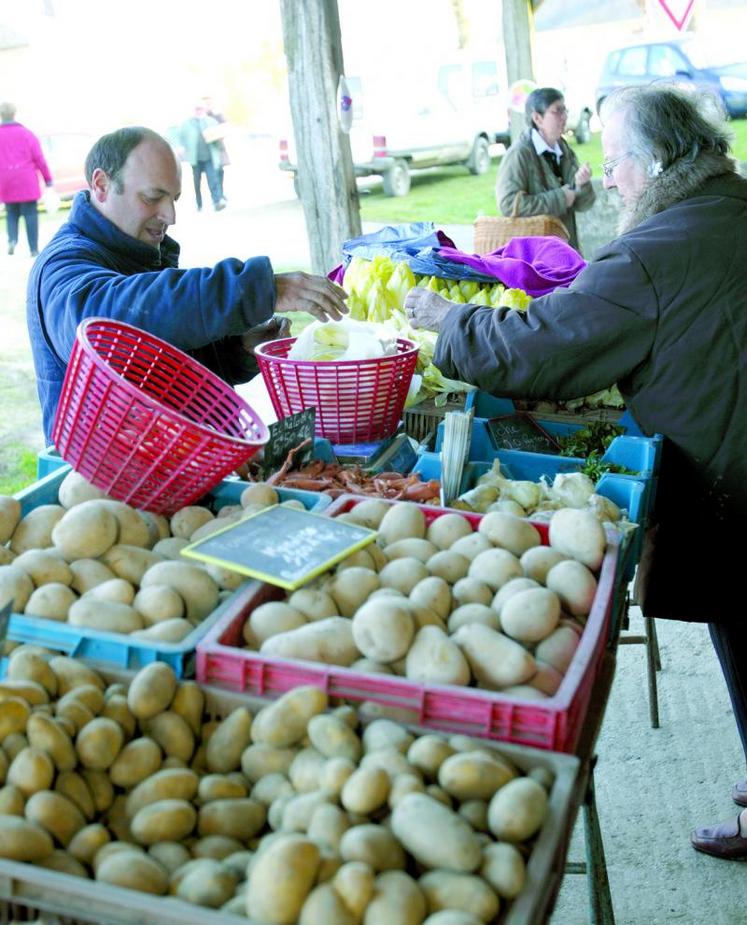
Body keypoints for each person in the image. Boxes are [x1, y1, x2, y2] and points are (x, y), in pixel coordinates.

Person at [405, 85, 747, 859]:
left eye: (618, 160)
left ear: (656, 160)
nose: (610, 176)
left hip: (735, 475)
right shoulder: (731, 201)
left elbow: (543, 347)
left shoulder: (652, 251)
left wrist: (449, 321)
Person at [27, 126, 348, 444]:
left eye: (174, 198)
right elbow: (106, 326)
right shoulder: (63, 264)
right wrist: (262, 289)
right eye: (153, 198)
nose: (170, 215)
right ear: (101, 185)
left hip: (175, 466)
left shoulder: (140, 252)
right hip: (103, 480)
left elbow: (163, 361)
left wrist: (237, 350)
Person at [496, 87, 595, 253]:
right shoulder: (520, 154)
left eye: (565, 110)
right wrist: (561, 198)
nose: (564, 116)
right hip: (535, 256)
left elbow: (583, 204)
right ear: (537, 118)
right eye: (557, 111)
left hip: (565, 250)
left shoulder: (564, 149)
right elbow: (508, 204)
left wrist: (582, 185)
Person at [0, 102, 53, 257]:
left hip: (5, 180)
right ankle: (33, 249)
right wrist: (48, 179)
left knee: (11, 212)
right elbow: (39, 158)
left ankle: (12, 240)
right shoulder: (27, 134)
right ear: (14, 114)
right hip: (26, 179)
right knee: (30, 213)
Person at [178, 103, 225, 211]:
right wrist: (180, 147)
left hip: (209, 157)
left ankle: (217, 201)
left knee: (213, 179)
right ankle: (199, 204)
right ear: (194, 110)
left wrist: (219, 140)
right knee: (197, 182)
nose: (199, 111)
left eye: (201, 109)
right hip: (196, 158)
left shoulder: (211, 122)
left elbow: (219, 136)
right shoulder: (187, 124)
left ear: (204, 110)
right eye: (196, 109)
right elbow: (181, 138)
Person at [202, 95, 229, 203]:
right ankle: (217, 196)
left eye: (210, 103)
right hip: (207, 150)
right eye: (206, 103)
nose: (208, 105)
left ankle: (220, 193)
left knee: (220, 171)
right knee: (212, 174)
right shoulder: (201, 117)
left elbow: (225, 127)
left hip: (218, 147)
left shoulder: (218, 115)